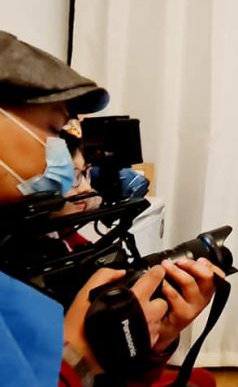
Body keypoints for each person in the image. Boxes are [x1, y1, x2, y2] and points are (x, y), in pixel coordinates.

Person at [0, 30, 222, 387]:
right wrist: (79, 357)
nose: (61, 153)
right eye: (55, 130)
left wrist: (153, 339)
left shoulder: (42, 241)